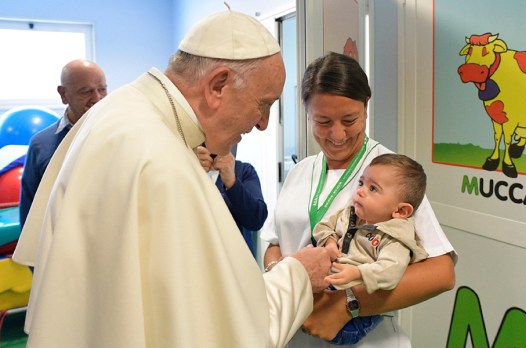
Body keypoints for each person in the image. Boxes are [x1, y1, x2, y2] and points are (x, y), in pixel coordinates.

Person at [12, 10, 336, 348]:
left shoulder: (118, 112)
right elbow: (224, 332)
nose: (263, 124)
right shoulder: (162, 163)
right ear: (218, 85)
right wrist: (298, 275)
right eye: (263, 104)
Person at [260, 52, 456, 347]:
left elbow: (441, 274)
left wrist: (347, 306)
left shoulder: (387, 172)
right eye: (323, 121)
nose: (337, 134)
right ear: (306, 112)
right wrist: (282, 273)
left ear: (366, 107)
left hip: (364, 338)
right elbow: (275, 243)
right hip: (294, 334)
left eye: (349, 119)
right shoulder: (300, 171)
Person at [314, 153, 429, 345]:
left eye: (373, 188)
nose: (360, 191)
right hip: (334, 286)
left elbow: (390, 271)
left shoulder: (394, 239)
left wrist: (357, 273)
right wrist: (330, 243)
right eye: (361, 183)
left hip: (357, 317)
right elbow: (324, 226)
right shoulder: (350, 212)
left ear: (400, 211)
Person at [19, 59, 107, 228]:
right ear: (63, 95)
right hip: (59, 245)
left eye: (102, 89)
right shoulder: (41, 145)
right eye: (86, 91)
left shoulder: (119, 135)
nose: (97, 98)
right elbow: (30, 211)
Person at [197, 144, 267, 256]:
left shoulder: (243, 171)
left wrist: (232, 182)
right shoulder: (189, 168)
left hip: (235, 258)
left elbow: (256, 219)